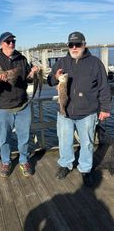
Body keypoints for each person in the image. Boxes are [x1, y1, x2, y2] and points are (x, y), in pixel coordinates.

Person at [47, 31, 111, 186]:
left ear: (84, 44)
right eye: (71, 45)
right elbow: (49, 81)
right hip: (65, 112)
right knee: (64, 141)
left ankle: (85, 169)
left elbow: (104, 87)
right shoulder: (62, 62)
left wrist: (105, 108)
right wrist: (55, 77)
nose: (74, 47)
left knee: (87, 142)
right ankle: (65, 164)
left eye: (78, 44)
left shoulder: (95, 63)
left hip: (88, 112)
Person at [0, 32, 39, 177]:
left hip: (23, 105)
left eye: (13, 41)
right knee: (4, 138)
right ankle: (6, 162)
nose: (11, 44)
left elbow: (27, 79)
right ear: (1, 43)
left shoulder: (22, 58)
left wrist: (32, 73)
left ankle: (23, 160)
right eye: (8, 41)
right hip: (2, 107)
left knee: (24, 137)